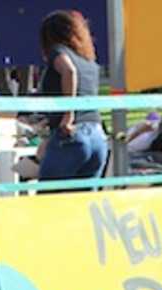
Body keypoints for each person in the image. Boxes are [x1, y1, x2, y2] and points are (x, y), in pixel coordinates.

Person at [36, 10, 108, 182]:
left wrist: (68, 115)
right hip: (97, 135)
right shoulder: (89, 62)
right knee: (82, 202)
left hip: (72, 134)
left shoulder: (58, 51)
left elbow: (69, 71)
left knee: (48, 199)